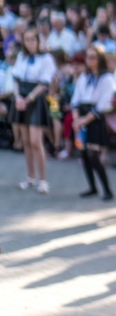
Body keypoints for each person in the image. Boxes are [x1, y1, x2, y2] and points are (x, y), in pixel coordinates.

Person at [10, 28, 57, 193]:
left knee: (36, 141)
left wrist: (28, 98)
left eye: (32, 39)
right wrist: (17, 98)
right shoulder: (22, 56)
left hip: (35, 99)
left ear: (38, 41)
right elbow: (16, 79)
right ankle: (30, 178)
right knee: (27, 142)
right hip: (21, 98)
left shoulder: (46, 58)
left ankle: (43, 180)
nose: (29, 42)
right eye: (27, 39)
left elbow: (44, 83)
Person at [71, 45, 116, 200]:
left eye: (93, 57)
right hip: (82, 115)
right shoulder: (84, 77)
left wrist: (85, 120)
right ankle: (92, 187)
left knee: (93, 155)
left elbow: (105, 103)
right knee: (83, 153)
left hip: (94, 119)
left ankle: (107, 189)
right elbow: (76, 98)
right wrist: (77, 119)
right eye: (88, 57)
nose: (89, 61)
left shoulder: (107, 78)